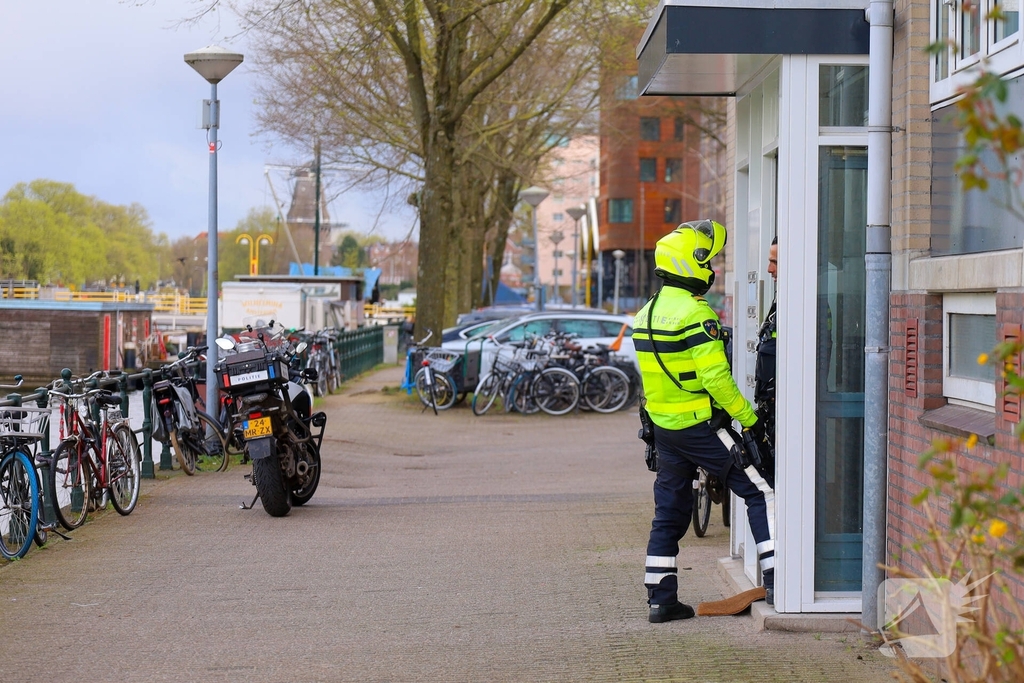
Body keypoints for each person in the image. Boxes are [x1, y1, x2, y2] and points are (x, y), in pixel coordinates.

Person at [633, 220, 776, 622]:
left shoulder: (646, 313)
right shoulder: (696, 315)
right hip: (701, 427)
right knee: (760, 492)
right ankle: (778, 581)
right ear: (691, 265)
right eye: (709, 260)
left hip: (664, 431)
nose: (712, 268)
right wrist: (748, 419)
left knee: (668, 513)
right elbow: (715, 378)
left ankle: (661, 601)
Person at [753, 237, 778, 488]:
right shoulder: (780, 303)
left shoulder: (804, 306)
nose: (770, 269)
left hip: (784, 414)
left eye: (775, 262)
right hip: (771, 411)